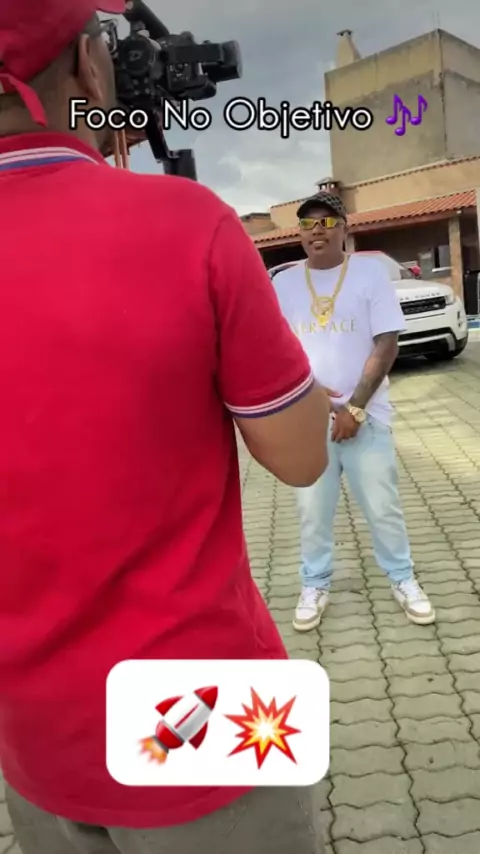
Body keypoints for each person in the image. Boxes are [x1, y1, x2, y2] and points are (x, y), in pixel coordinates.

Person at [0, 2, 331, 852]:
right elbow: (300, 457)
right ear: (90, 66)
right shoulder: (186, 221)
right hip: (201, 705)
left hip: (31, 731)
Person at [272, 192, 436, 632]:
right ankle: (314, 583)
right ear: (299, 233)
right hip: (309, 420)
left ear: (345, 228)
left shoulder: (368, 275)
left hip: (368, 417)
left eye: (328, 222)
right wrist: (318, 399)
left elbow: (387, 343)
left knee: (383, 508)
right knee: (312, 512)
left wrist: (355, 409)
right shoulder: (283, 284)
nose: (317, 231)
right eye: (308, 224)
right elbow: (275, 351)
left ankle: (403, 579)